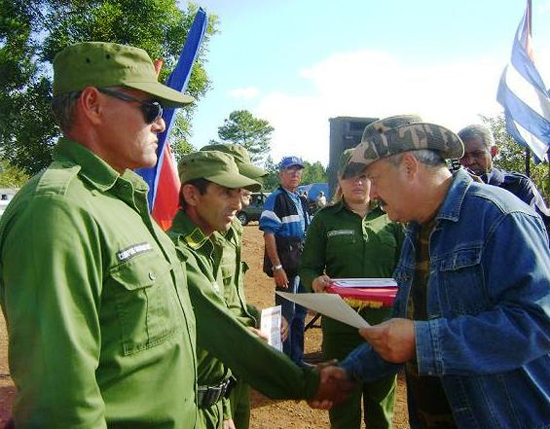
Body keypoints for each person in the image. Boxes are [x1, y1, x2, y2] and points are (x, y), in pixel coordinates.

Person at [0, 42, 198, 427]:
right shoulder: (57, 210)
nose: (160, 124)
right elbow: (61, 406)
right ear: (92, 104)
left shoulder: (121, 200)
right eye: (150, 109)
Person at [323, 115, 550, 428]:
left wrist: (423, 341)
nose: (371, 193)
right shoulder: (416, 230)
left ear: (409, 167)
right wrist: (349, 372)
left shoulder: (500, 217)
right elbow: (405, 326)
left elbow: (538, 324)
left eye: (374, 178)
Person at [169, 151, 351, 428]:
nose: (239, 203)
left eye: (240, 192)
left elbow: (228, 302)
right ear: (192, 195)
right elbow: (222, 329)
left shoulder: (214, 242)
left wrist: (255, 317)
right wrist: (306, 383)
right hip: (194, 400)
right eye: (227, 192)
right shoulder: (179, 253)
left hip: (223, 386)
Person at [300, 148, 405, 429]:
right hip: (341, 328)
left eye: (363, 176)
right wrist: (315, 281)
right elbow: (307, 266)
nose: (357, 183)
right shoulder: (325, 220)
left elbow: (405, 271)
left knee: (380, 409)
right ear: (339, 180)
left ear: (372, 179)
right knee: (343, 410)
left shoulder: (392, 218)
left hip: (385, 328)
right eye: (350, 176)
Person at [200, 143, 270, 429]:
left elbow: (232, 294)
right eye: (235, 184)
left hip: (240, 352)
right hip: (216, 359)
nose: (245, 193)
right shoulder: (204, 233)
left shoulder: (234, 228)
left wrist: (256, 315)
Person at [259, 156, 310, 366]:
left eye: (298, 171)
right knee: (285, 317)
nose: (295, 174)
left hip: (301, 266)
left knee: (299, 314)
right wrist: (277, 267)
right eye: (290, 170)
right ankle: (284, 365)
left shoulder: (301, 199)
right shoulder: (276, 198)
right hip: (286, 268)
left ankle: (296, 360)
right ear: (281, 174)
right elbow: (269, 235)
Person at [457, 123, 550, 228]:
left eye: (477, 154)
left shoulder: (518, 185)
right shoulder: (456, 190)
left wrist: (488, 195)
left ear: (493, 152)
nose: (470, 162)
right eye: (463, 156)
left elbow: (533, 230)